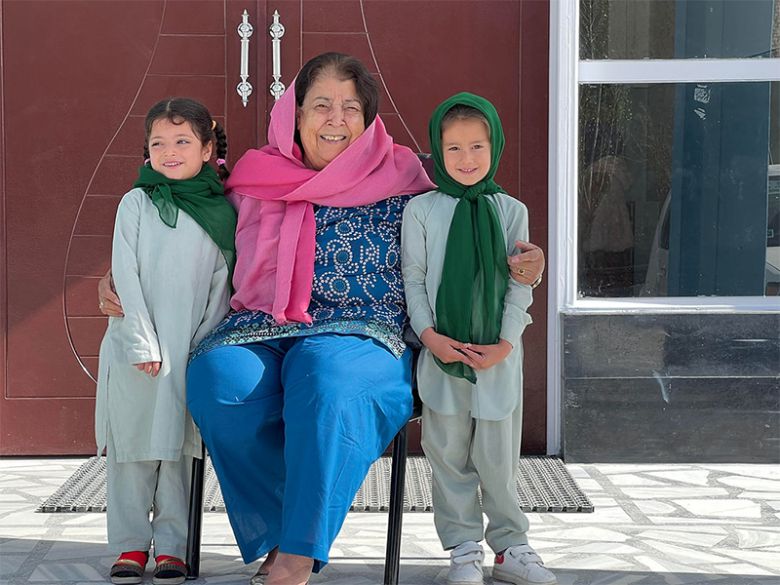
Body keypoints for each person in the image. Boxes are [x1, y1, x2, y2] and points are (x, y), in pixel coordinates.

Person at [97, 53, 546, 585]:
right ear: (294, 113)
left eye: (350, 107)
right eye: (321, 106)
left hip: (363, 328)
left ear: (368, 118)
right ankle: (281, 530)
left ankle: (297, 552)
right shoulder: (250, 180)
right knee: (220, 383)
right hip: (257, 325)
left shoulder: (406, 177)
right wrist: (117, 278)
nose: (336, 119)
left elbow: (464, 229)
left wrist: (525, 267)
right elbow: (183, 229)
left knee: (324, 378)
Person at [401, 93, 556, 585]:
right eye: (453, 149)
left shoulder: (510, 211)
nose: (466, 160)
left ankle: (511, 547)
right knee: (447, 456)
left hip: (498, 360)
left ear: (496, 147)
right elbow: (415, 278)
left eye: (477, 147)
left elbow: (519, 282)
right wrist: (430, 337)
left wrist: (506, 344)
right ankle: (463, 547)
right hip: (443, 355)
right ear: (436, 152)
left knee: (499, 459)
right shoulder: (422, 210)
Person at [95, 98, 236, 585]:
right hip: (136, 348)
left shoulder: (220, 213)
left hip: (187, 350)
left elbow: (221, 289)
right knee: (133, 448)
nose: (169, 151)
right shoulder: (136, 202)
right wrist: (141, 342)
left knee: (178, 449)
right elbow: (125, 275)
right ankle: (131, 545)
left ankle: (173, 547)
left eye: (182, 141)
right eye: (158, 142)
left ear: (206, 149)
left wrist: (197, 348)